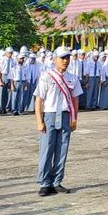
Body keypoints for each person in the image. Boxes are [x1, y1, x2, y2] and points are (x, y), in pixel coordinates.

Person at [33, 46, 82, 197]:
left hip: (66, 115)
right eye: (62, 58)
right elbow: (39, 100)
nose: (65, 61)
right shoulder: (47, 76)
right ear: (54, 60)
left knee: (62, 149)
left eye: (67, 58)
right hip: (50, 115)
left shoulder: (72, 78)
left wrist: (75, 119)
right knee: (46, 149)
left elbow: (75, 100)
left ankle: (56, 181)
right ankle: (45, 183)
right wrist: (39, 121)